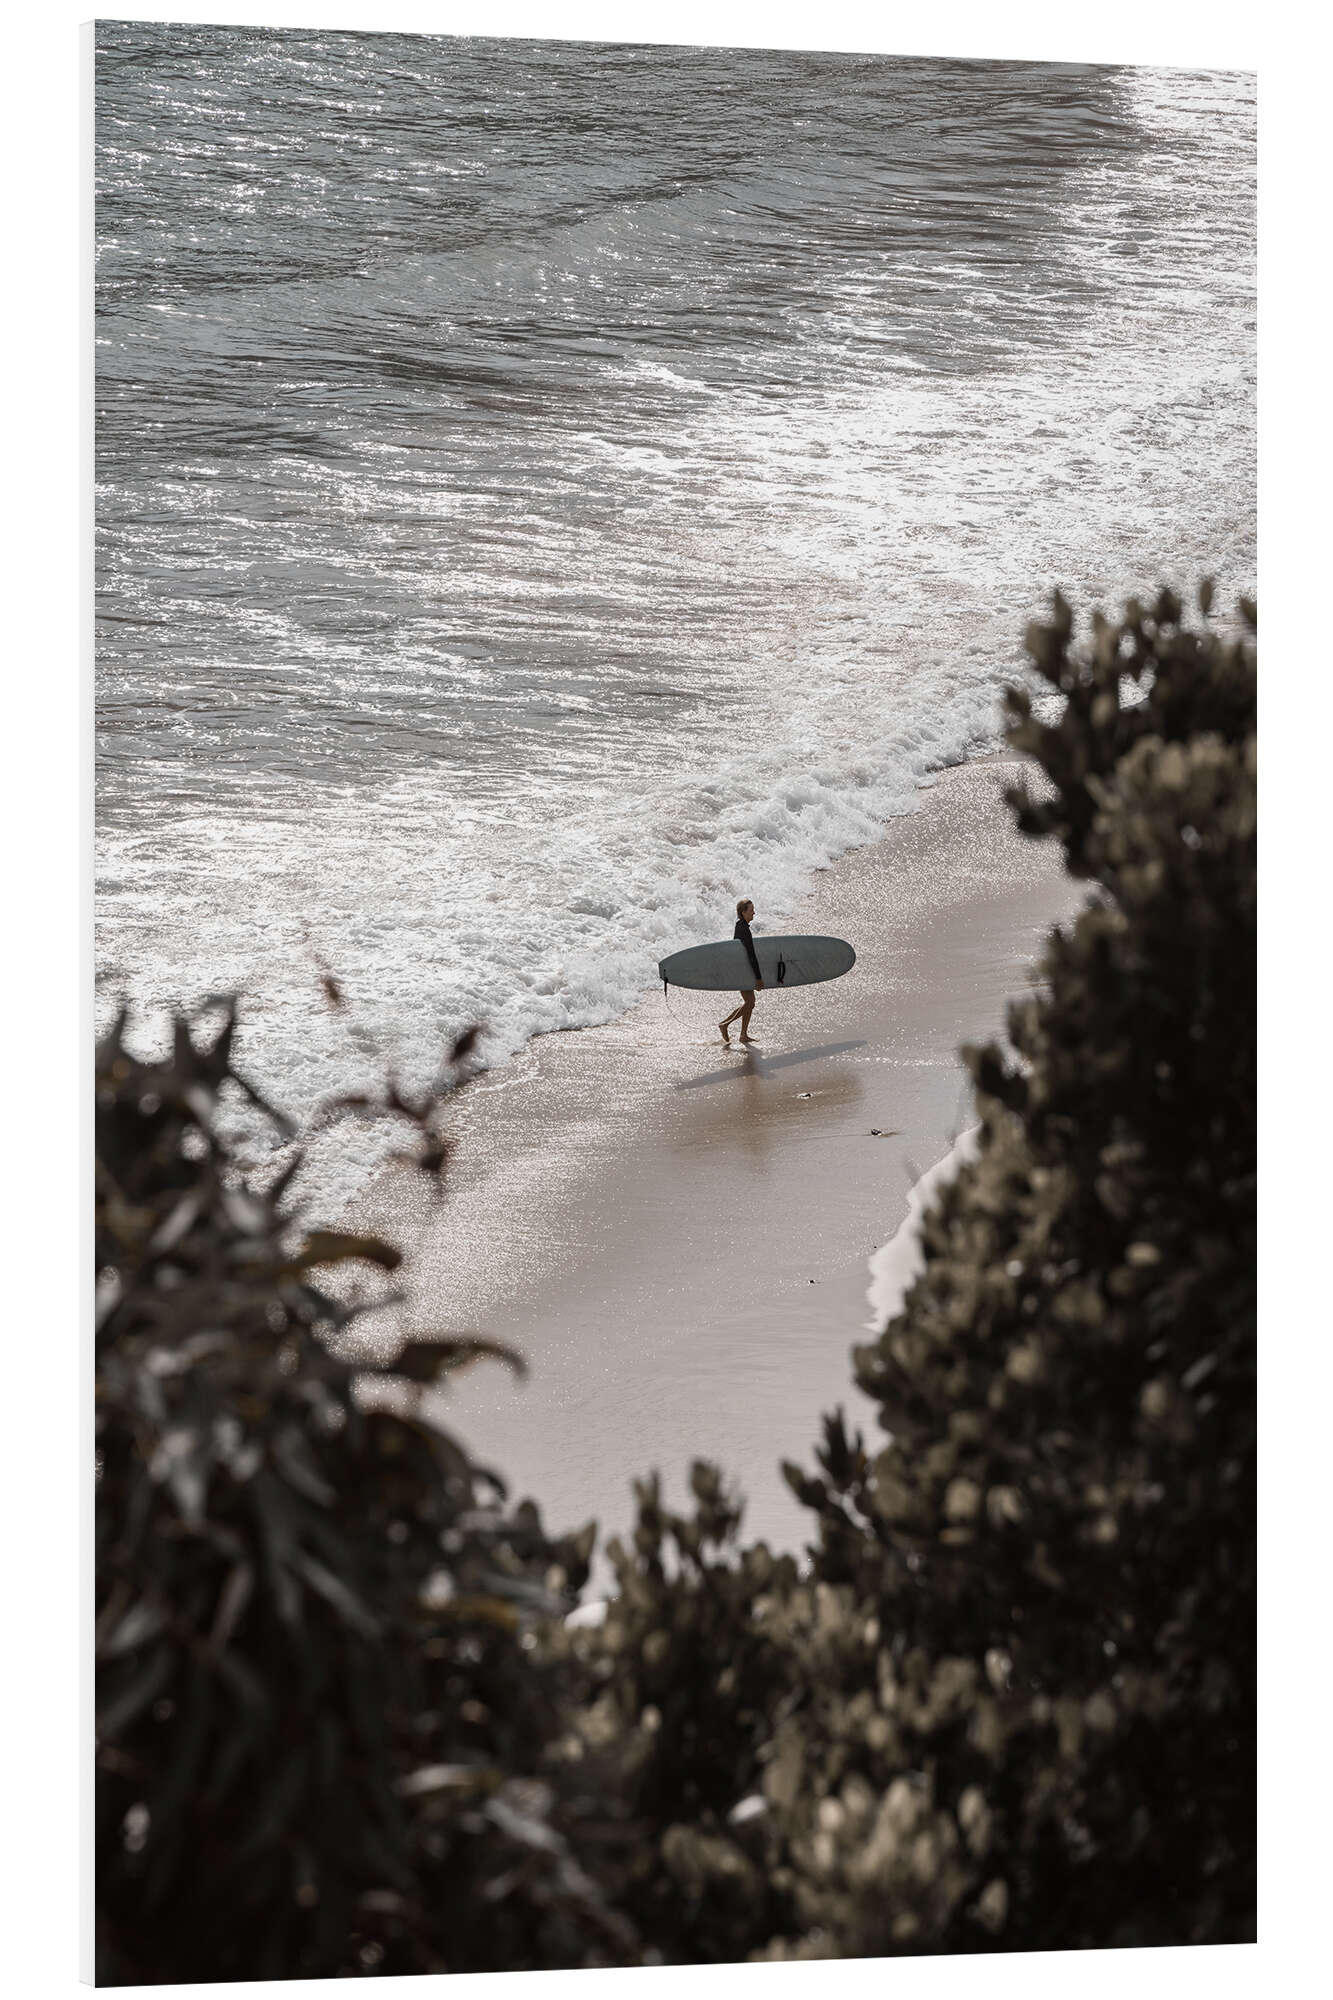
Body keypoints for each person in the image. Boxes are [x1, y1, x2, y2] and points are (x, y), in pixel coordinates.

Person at [720, 898, 764, 1045]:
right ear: (743, 912)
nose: (754, 913)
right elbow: (751, 955)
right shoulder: (744, 929)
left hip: (742, 969)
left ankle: (743, 1034)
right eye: (751, 910)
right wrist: (758, 978)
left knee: (750, 1002)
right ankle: (725, 1024)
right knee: (750, 1002)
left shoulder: (740, 926)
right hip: (743, 971)